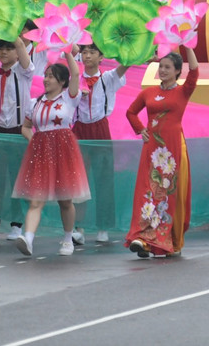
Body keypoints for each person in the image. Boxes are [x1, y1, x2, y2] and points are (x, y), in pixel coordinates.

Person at [12, 50, 90, 257]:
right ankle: (27, 238)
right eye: (45, 75)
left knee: (65, 200)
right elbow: (25, 127)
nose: (45, 79)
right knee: (36, 200)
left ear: (62, 81)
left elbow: (75, 72)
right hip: (40, 154)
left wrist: (66, 49)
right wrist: (35, 141)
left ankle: (67, 239)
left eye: (51, 76)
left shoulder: (69, 98)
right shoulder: (35, 102)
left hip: (64, 153)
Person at [125, 47, 199, 257]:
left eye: (167, 67)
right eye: (161, 66)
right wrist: (141, 130)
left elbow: (194, 71)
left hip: (173, 150)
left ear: (177, 71)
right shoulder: (148, 92)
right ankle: (143, 238)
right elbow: (130, 112)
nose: (163, 70)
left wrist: (187, 45)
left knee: (168, 192)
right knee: (147, 191)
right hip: (152, 150)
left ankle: (168, 241)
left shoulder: (183, 91)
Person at [70, 43, 129, 246]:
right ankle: (78, 228)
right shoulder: (74, 78)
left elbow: (125, 65)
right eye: (84, 52)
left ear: (101, 56)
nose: (87, 56)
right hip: (78, 130)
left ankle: (103, 227)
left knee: (103, 179)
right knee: (79, 180)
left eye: (92, 52)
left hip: (100, 129)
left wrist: (129, 49)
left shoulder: (109, 78)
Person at [0, 36, 36, 243]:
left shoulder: (25, 72)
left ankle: (16, 224)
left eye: (9, 48)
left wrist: (12, 28)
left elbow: (21, 44)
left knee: (18, 178)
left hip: (17, 130)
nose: (4, 52)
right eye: (1, 48)